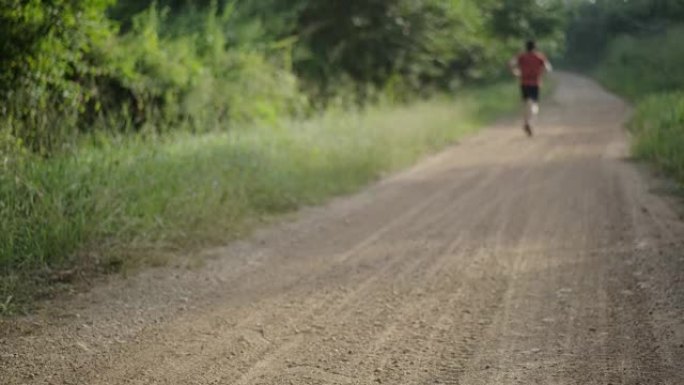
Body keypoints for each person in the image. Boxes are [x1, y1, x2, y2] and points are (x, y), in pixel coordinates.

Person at [509, 40, 552, 137]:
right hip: (535, 83)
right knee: (534, 104)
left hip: (524, 83)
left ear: (526, 47)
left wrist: (516, 72)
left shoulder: (521, 56)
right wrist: (541, 73)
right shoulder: (539, 57)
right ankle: (529, 122)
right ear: (535, 47)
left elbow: (511, 63)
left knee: (525, 104)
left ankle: (526, 122)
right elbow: (548, 68)